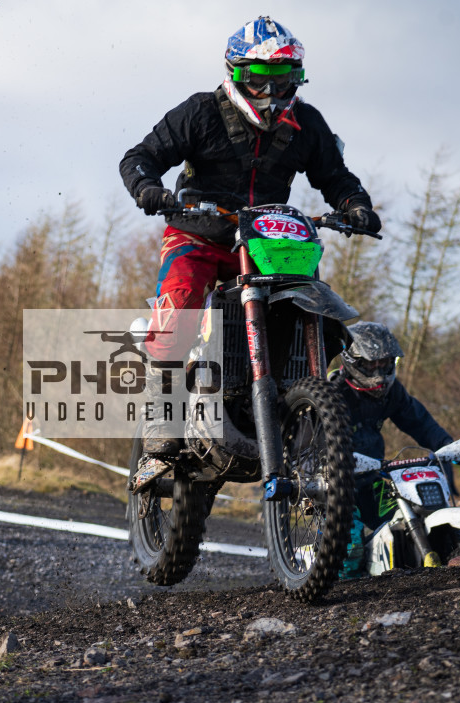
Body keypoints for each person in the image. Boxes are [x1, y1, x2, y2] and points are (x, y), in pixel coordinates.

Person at [120, 16, 380, 460]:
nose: (271, 95)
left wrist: (356, 204)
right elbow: (140, 156)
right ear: (236, 74)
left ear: (296, 79)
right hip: (199, 233)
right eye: (259, 82)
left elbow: (334, 176)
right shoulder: (200, 111)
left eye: (283, 83)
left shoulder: (307, 123)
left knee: (315, 303)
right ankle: (163, 405)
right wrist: (148, 188)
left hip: (269, 243)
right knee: (180, 294)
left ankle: (299, 395)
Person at [330, 322, 453, 578]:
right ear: (353, 361)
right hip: (334, 482)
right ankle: (344, 601)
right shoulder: (332, 393)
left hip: (374, 477)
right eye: (371, 364)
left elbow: (421, 423)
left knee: (408, 520)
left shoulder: (392, 393)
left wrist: (448, 449)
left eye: (384, 363)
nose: (378, 370)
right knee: (349, 551)